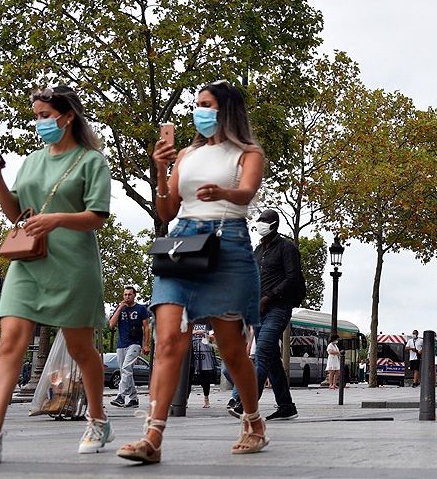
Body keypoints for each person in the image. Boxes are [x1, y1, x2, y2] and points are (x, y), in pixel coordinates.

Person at [0, 86, 113, 462]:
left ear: (67, 117)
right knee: (11, 339)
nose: (39, 123)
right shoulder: (32, 160)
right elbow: (16, 213)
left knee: (82, 349)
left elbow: (97, 215)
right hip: (29, 260)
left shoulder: (92, 161)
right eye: (36, 116)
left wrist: (56, 219)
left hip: (74, 265)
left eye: (45, 115)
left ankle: (98, 419)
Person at [117, 80, 267, 463]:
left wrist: (223, 193)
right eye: (196, 104)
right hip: (182, 245)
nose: (198, 110)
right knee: (169, 342)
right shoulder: (185, 153)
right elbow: (166, 213)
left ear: (226, 110)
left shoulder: (248, 153)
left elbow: (247, 193)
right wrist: (162, 167)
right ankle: (152, 436)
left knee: (232, 351)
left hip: (227, 243)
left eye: (206, 104)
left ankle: (253, 420)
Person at [227, 208, 302, 421]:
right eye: (259, 219)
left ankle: (246, 403)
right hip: (258, 310)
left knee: (261, 356)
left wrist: (268, 298)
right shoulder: (258, 250)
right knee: (271, 360)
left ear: (274, 224)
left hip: (278, 309)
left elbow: (292, 279)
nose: (259, 223)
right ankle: (286, 406)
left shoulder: (287, 248)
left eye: (264, 220)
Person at [109, 286, 150, 408]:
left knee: (126, 368)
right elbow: (111, 324)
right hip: (121, 344)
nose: (127, 297)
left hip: (135, 343)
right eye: (125, 294)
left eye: (130, 294)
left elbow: (146, 327)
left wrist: (146, 344)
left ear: (134, 295)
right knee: (125, 371)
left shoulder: (141, 308)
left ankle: (121, 396)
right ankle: (133, 398)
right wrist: (120, 308)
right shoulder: (120, 308)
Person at [188, 323, 218, 408]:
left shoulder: (208, 322)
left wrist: (203, 334)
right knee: (188, 376)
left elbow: (213, 337)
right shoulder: (190, 320)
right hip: (191, 350)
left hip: (204, 350)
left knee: (204, 375)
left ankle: (206, 399)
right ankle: (185, 400)